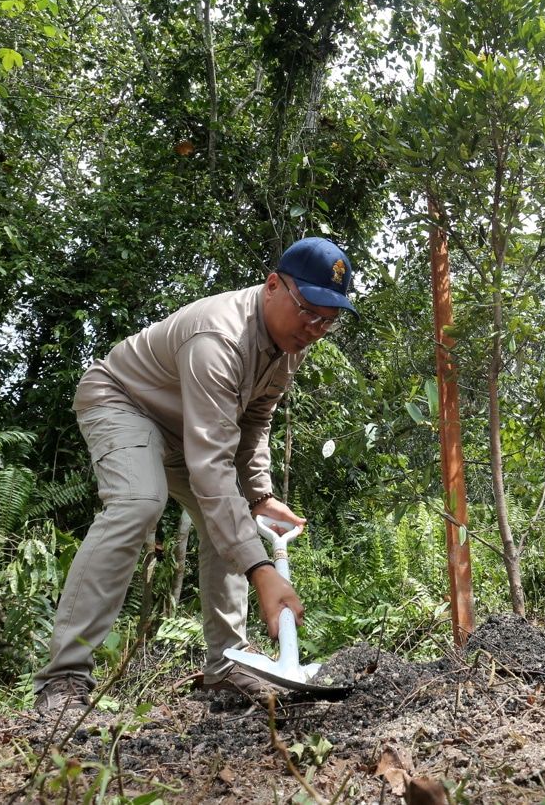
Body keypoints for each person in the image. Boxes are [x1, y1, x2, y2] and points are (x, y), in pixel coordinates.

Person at [33, 237, 358, 714]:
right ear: (273, 287)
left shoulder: (291, 343)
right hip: (124, 401)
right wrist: (262, 572)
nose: (316, 329)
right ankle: (63, 679)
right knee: (140, 501)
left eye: (328, 321)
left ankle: (227, 667)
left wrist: (261, 495)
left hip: (190, 426)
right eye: (309, 311)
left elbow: (256, 420)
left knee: (234, 517)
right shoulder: (219, 339)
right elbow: (212, 472)